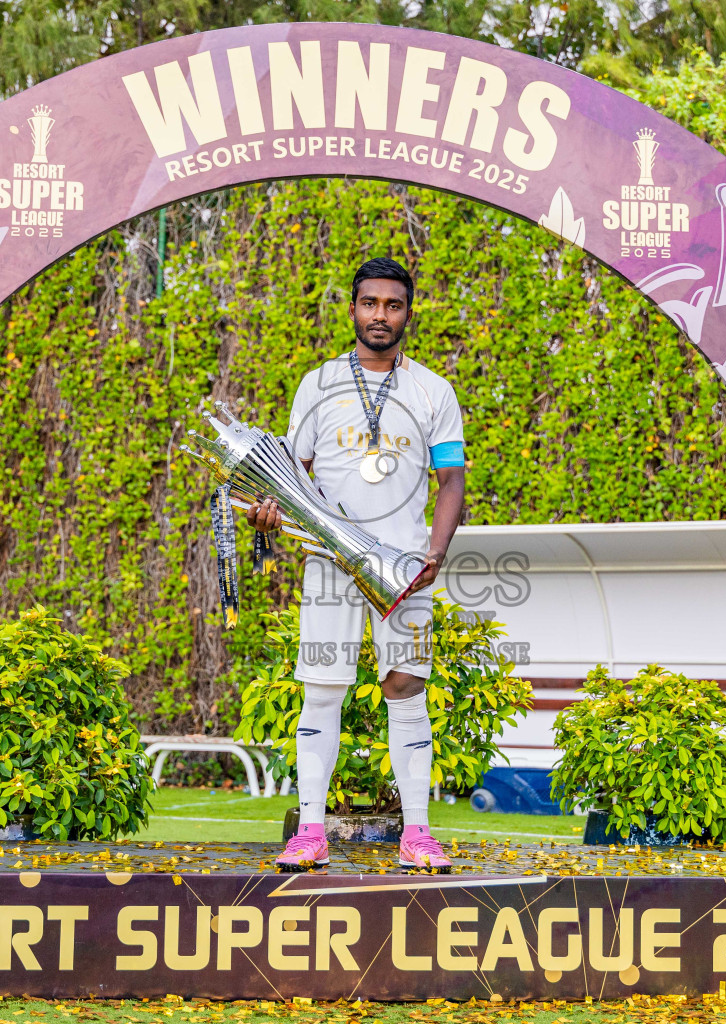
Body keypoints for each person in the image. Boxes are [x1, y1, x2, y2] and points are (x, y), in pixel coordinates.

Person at [244, 257, 466, 872]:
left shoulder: (433, 391)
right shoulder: (317, 384)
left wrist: (434, 552)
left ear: (408, 314)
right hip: (328, 565)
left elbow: (451, 481)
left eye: (393, 305)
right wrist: (268, 512)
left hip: (404, 568)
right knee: (322, 692)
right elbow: (289, 475)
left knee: (406, 688)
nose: (380, 315)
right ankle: (310, 833)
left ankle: (417, 834)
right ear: (353, 309)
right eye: (370, 303)